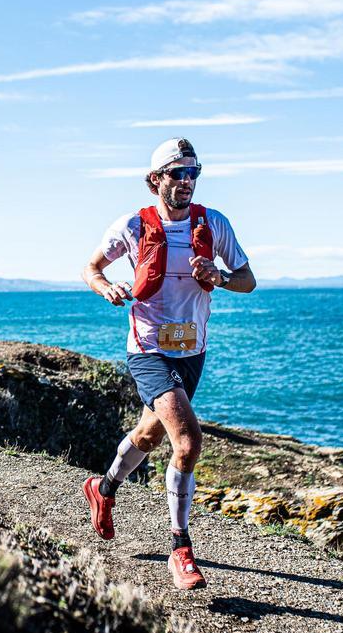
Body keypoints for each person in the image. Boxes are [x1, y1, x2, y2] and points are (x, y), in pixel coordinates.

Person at [80, 137, 256, 590]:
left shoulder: (213, 224)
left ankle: (103, 490)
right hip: (148, 348)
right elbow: (91, 268)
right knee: (188, 441)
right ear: (155, 179)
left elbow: (248, 280)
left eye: (193, 173)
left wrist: (220, 277)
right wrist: (108, 288)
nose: (186, 181)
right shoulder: (133, 227)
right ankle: (181, 546)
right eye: (177, 173)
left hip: (192, 349)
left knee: (148, 434)